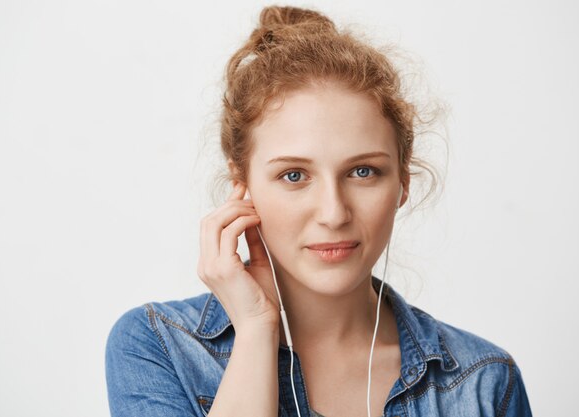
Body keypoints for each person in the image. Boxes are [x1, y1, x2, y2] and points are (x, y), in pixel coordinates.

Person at [105, 5, 532, 417]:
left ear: (402, 182)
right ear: (243, 187)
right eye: (294, 175)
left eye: (363, 171)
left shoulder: (484, 382)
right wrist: (255, 331)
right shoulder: (158, 344)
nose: (333, 213)